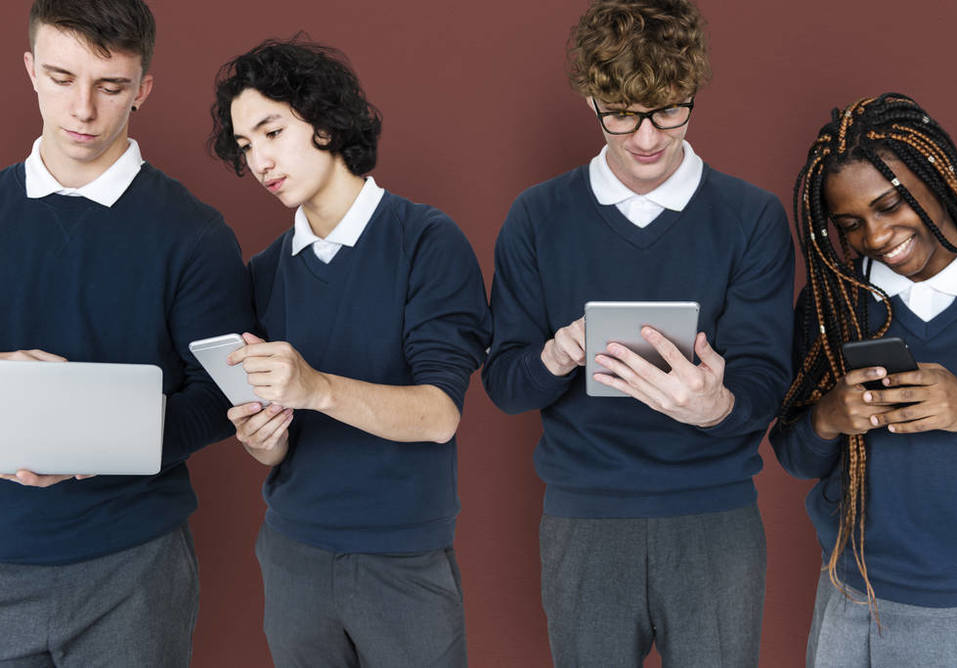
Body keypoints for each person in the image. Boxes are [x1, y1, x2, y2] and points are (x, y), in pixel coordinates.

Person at [481, 0, 794, 665]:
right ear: (592, 101)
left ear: (693, 95)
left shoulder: (751, 217)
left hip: (714, 520)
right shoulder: (537, 217)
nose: (647, 139)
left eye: (669, 110)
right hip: (585, 521)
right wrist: (555, 355)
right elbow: (506, 386)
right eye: (621, 115)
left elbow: (769, 376)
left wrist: (719, 405)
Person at [209, 38, 491, 667]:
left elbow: (440, 414)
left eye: (273, 130)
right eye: (247, 145)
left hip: (402, 560)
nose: (260, 160)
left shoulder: (427, 241)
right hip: (292, 556)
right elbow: (274, 446)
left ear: (327, 121)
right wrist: (262, 437)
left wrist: (315, 388)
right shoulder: (264, 273)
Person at [0, 0, 253, 664]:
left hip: (132, 569)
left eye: (110, 86)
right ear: (29, 70)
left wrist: (106, 441)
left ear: (142, 87)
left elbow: (225, 398)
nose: (83, 109)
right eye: (61, 77)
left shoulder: (195, 235)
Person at [770, 92, 957, 667]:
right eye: (850, 225)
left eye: (890, 205)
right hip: (849, 595)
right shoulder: (834, 304)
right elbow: (797, 458)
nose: (875, 238)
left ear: (937, 177)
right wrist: (826, 418)